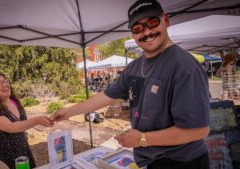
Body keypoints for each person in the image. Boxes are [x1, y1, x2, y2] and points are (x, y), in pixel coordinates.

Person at [53, 0, 210, 168]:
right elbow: (106, 96)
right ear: (133, 34)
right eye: (138, 28)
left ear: (166, 20)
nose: (147, 32)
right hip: (151, 161)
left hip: (183, 163)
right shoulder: (135, 66)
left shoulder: (184, 67)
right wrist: (68, 112)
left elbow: (198, 130)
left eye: (152, 23)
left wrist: (142, 138)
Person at [0, 72, 54, 169]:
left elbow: (22, 124)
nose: (4, 84)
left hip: (22, 149)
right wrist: (37, 120)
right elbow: (10, 127)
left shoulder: (15, 102)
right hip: (2, 154)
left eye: (5, 81)